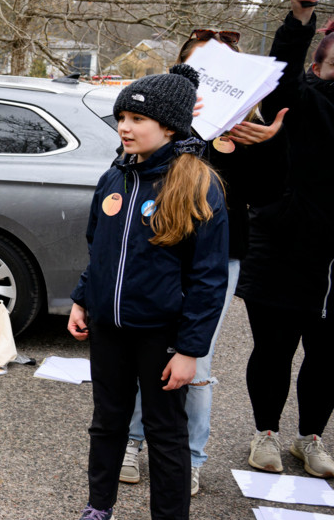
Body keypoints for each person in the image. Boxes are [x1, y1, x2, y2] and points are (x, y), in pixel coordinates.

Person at [66, 64, 229, 520]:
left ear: (171, 125)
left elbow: (207, 280)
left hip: (162, 336)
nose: (125, 128)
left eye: (137, 118)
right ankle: (99, 507)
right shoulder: (116, 176)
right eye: (122, 118)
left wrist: (190, 349)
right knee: (107, 420)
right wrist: (82, 299)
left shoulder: (197, 184)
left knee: (164, 433)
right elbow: (99, 248)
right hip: (110, 328)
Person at [120, 30, 285, 496]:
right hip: (158, 251)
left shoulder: (242, 130)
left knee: (196, 359)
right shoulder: (163, 124)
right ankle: (133, 441)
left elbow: (268, 193)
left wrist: (267, 143)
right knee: (146, 348)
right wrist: (182, 126)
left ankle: (190, 456)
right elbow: (132, 164)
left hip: (217, 258)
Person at [235, 0, 334, 479]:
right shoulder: (300, 98)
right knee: (274, 349)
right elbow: (281, 75)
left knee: (328, 357)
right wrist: (300, 19)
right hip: (283, 248)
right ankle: (265, 433)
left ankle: (311, 437)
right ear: (321, 54)